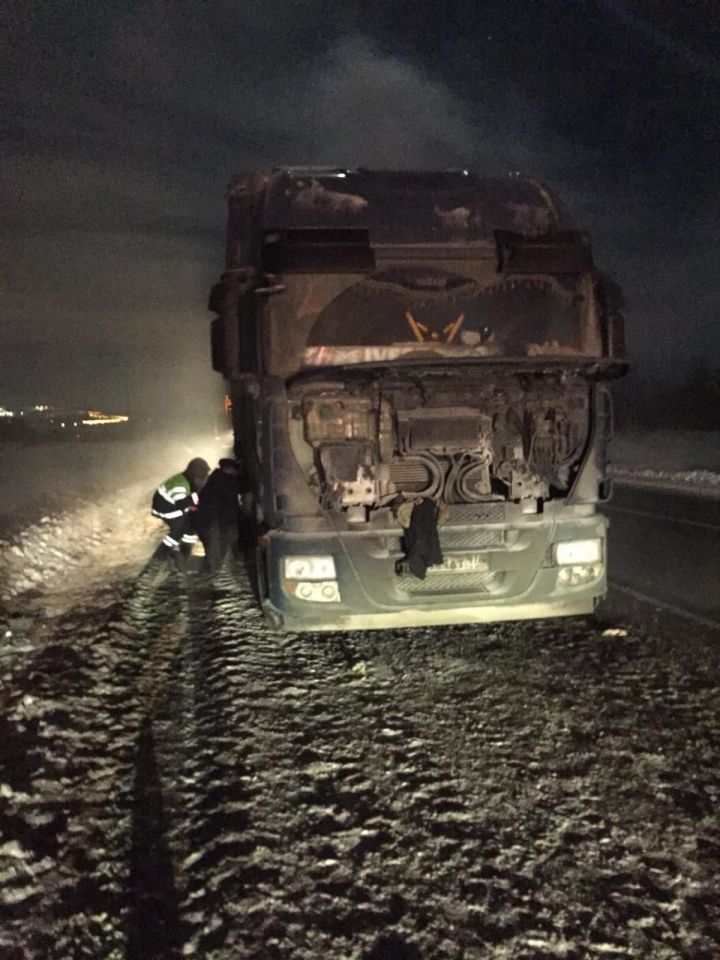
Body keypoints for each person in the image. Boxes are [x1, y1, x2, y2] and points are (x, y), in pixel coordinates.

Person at [151, 457, 210, 569]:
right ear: (195, 476)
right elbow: (181, 504)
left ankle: (185, 554)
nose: (201, 481)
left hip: (174, 506)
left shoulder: (188, 480)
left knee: (191, 527)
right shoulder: (180, 485)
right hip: (166, 508)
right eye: (201, 478)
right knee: (180, 529)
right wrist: (194, 507)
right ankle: (159, 556)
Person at [192, 458, 241, 573]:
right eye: (234, 470)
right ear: (228, 469)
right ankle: (208, 575)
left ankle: (208, 572)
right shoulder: (224, 482)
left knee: (215, 552)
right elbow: (223, 507)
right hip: (214, 524)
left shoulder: (216, 480)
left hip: (212, 523)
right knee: (216, 553)